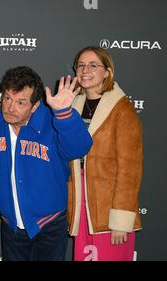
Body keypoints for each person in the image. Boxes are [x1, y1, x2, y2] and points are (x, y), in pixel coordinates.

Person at [0, 66, 92, 261]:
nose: (10, 108)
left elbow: (80, 148)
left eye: (20, 102)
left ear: (36, 105)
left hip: (49, 226)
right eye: (7, 99)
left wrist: (64, 113)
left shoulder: (53, 121)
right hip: (11, 227)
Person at [67, 46, 143, 261]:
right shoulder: (73, 105)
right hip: (82, 206)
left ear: (107, 72)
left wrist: (121, 220)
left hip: (109, 209)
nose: (85, 70)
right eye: (80, 65)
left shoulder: (122, 110)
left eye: (93, 65)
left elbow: (130, 168)